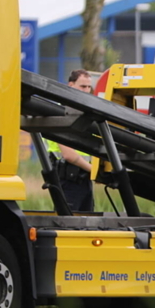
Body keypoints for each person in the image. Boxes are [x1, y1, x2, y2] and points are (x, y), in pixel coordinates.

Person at [46, 69, 96, 212]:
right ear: (71, 85)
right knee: (68, 224)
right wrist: (94, 171)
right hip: (68, 179)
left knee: (88, 226)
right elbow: (68, 154)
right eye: (82, 86)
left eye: (88, 87)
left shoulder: (83, 114)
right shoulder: (62, 112)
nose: (86, 90)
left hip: (83, 178)